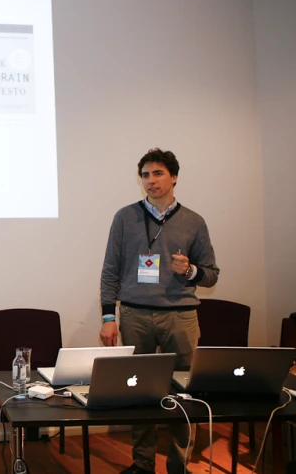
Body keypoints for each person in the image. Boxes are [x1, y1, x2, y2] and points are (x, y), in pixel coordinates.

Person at [99, 148, 219, 474]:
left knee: (184, 393)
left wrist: (191, 270)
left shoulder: (194, 222)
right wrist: (109, 317)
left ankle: (179, 464)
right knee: (139, 390)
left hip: (180, 317)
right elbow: (110, 270)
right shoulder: (125, 217)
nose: (151, 181)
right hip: (135, 315)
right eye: (145, 175)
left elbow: (211, 275)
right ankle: (142, 464)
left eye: (158, 173)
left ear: (174, 177)